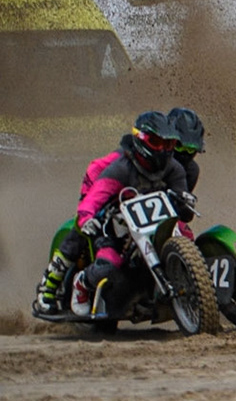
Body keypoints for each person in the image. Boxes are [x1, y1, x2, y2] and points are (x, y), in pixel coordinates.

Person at [52, 112, 193, 319]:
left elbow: (184, 208)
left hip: (157, 225)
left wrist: (185, 202)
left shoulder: (174, 168)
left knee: (186, 235)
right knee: (109, 265)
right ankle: (82, 282)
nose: (163, 150)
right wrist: (87, 219)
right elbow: (90, 201)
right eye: (156, 142)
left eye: (169, 144)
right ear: (141, 140)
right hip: (118, 229)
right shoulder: (119, 169)